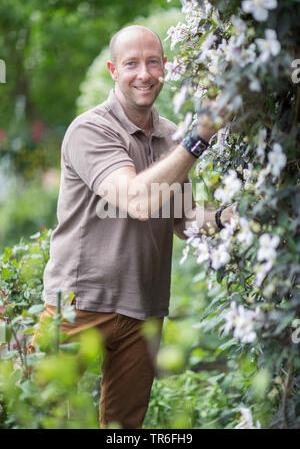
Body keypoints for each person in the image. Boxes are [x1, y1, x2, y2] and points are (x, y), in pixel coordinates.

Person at [34, 25, 236, 429]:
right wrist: (198, 139)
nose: (143, 73)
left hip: (143, 306)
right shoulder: (91, 130)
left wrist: (224, 218)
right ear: (113, 70)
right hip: (80, 302)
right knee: (52, 417)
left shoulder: (171, 137)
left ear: (164, 68)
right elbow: (138, 200)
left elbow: (183, 218)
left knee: (124, 429)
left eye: (152, 62)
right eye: (131, 64)